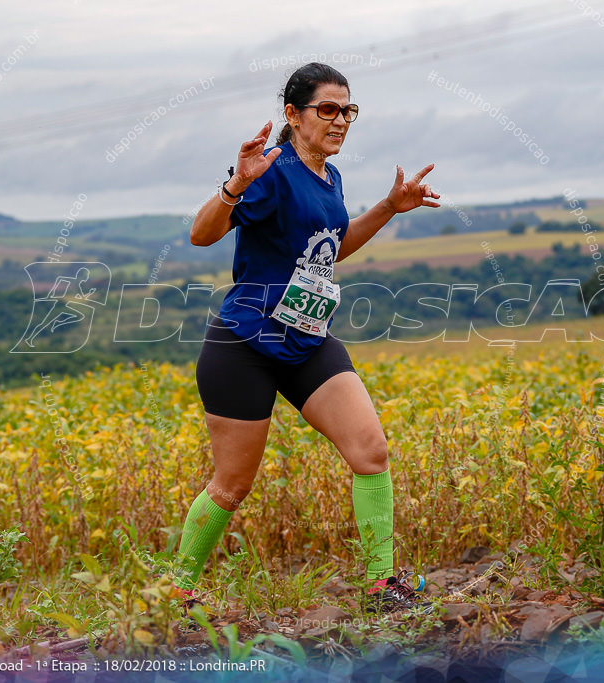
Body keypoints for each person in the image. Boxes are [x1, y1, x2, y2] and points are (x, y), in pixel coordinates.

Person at [176, 62, 440, 613]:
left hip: (307, 339)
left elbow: (333, 247)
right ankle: (175, 592)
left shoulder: (329, 177)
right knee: (231, 485)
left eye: (349, 110)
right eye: (328, 109)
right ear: (293, 116)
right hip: (244, 346)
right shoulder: (271, 170)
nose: (341, 120)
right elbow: (202, 236)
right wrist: (236, 184)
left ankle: (380, 583)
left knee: (371, 451)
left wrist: (391, 206)